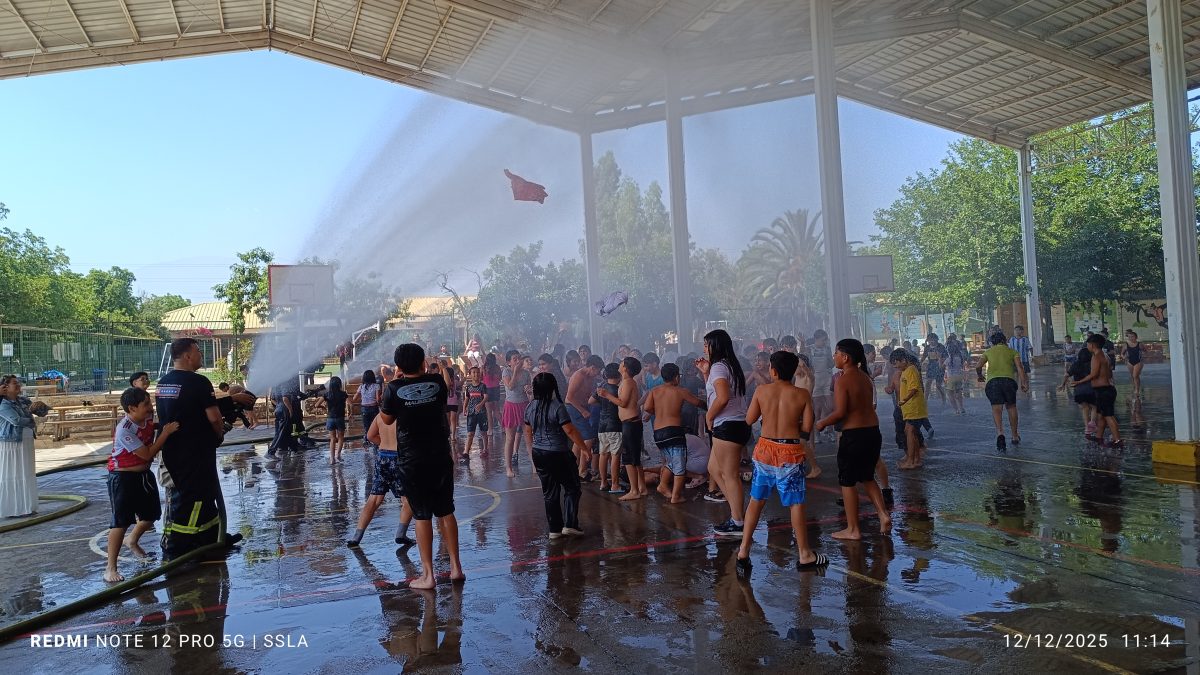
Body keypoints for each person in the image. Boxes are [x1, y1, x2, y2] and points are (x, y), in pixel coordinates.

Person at [377, 344, 464, 589]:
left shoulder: (393, 388)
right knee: (446, 510)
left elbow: (386, 419)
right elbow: (441, 398)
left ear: (399, 366)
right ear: (423, 362)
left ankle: (428, 575)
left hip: (412, 460)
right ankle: (456, 567)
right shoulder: (436, 382)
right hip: (440, 455)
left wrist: (394, 382)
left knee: (422, 515)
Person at [736, 351, 827, 577]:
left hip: (765, 449)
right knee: (795, 503)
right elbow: (807, 427)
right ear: (793, 370)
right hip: (790, 451)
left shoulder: (761, 391)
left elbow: (749, 419)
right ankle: (804, 553)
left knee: (756, 500)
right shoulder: (802, 394)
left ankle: (743, 550)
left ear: (773, 371)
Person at [154, 338, 241, 560]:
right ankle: (176, 546)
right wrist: (219, 434)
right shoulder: (199, 382)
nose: (201, 355)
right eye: (198, 351)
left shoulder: (164, 383)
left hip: (173, 451)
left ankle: (211, 537)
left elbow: (186, 408)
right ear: (187, 356)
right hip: (196, 452)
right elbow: (214, 418)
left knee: (203, 494)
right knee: (192, 499)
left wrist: (230, 401)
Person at [816, 339, 891, 541]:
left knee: (847, 481)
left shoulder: (843, 380)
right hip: (872, 432)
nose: (834, 357)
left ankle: (853, 528)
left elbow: (840, 412)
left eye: (836, 353)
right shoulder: (865, 377)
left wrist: (822, 422)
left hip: (854, 435)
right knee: (867, 477)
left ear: (845, 357)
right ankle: (883, 514)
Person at [105, 387, 180, 582]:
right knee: (121, 522)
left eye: (150, 402)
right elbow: (147, 454)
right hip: (123, 478)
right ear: (132, 408)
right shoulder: (125, 429)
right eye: (145, 404)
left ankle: (132, 540)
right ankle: (110, 568)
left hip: (144, 476)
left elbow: (153, 427)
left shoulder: (147, 418)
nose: (150, 407)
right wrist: (166, 433)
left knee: (151, 515)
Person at [697, 329, 751, 536]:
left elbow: (722, 398)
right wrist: (705, 373)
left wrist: (709, 417)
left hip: (728, 425)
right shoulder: (728, 365)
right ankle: (737, 514)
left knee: (730, 475)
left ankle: (738, 521)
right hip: (734, 424)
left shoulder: (719, 367)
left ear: (716, 346)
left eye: (707, 344)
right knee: (714, 468)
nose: (704, 348)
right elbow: (715, 393)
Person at [524, 373, 589, 539]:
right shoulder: (557, 407)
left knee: (550, 492)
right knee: (572, 487)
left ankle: (554, 529)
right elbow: (570, 430)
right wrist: (584, 448)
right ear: (553, 388)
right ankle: (570, 524)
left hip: (539, 453)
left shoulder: (530, 407)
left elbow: (528, 432)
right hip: (558, 453)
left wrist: (532, 451)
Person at [347, 407, 415, 548]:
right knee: (408, 499)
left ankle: (356, 537)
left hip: (383, 457)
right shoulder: (404, 416)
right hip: (400, 458)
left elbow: (370, 436)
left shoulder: (380, 416)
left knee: (374, 499)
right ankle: (401, 533)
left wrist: (384, 442)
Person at [643, 363, 705, 504]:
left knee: (671, 461)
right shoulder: (680, 391)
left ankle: (663, 486)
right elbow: (698, 403)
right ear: (677, 377)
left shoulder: (654, 391)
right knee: (679, 465)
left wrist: (659, 411)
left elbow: (647, 407)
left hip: (658, 433)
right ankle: (676, 496)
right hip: (674, 432)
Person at [596, 356, 645, 501]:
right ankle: (641, 487)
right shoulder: (626, 382)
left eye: (622, 362)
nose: (620, 363)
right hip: (630, 423)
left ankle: (634, 490)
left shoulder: (628, 382)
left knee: (629, 459)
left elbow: (623, 403)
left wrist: (606, 394)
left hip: (631, 423)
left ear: (625, 368)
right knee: (635, 458)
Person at [976, 332, 1028, 451]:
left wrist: (980, 376)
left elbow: (978, 366)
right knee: (1011, 407)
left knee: (997, 409)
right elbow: (1020, 367)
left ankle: (1000, 433)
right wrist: (1024, 383)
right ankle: (1015, 436)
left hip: (993, 383)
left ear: (992, 342)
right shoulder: (1012, 351)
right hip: (1009, 382)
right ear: (1004, 340)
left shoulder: (988, 352)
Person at [1072, 334, 1123, 448]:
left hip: (1104, 390)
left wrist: (1079, 382)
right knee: (1101, 415)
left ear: (1092, 345)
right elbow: (1109, 373)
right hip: (1106, 389)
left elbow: (1093, 374)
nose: (1087, 346)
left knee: (1109, 416)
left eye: (1088, 344)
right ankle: (1099, 437)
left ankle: (1118, 440)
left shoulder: (1096, 357)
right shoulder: (1105, 355)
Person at [0, 375, 39, 518]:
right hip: (11, 444)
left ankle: (26, 506)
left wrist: (41, 408)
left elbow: (37, 411)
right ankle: (12, 508)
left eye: (18, 383)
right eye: (14, 383)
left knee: (26, 473)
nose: (18, 385)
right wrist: (32, 421)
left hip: (26, 441)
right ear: (5, 387)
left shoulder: (23, 400)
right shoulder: (3, 404)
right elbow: (16, 421)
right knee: (14, 474)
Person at [565, 355, 603, 480]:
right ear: (592, 367)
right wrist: (582, 411)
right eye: (597, 371)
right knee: (588, 438)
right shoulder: (579, 375)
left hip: (583, 407)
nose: (598, 374)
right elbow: (569, 397)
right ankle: (582, 471)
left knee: (578, 439)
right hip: (574, 407)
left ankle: (572, 468)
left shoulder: (590, 377)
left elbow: (587, 394)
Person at [894, 350, 928, 470]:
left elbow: (914, 389)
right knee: (911, 432)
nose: (896, 366)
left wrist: (904, 400)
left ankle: (910, 461)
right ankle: (916, 459)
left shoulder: (911, 370)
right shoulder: (906, 371)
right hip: (910, 409)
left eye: (896, 363)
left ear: (904, 360)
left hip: (914, 408)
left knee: (909, 432)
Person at [501, 350, 532, 477]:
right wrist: (515, 371)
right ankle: (508, 468)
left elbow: (529, 392)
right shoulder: (506, 371)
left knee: (529, 437)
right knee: (510, 438)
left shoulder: (526, 373)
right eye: (515, 359)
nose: (518, 361)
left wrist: (529, 390)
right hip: (511, 406)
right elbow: (510, 386)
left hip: (524, 405)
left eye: (519, 358)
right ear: (509, 362)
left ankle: (534, 465)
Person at [595, 363, 623, 493]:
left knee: (603, 454)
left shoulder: (602, 388)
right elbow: (623, 404)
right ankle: (615, 485)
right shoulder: (618, 390)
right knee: (615, 454)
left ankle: (603, 483)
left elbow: (590, 401)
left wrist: (603, 402)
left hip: (602, 425)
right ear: (619, 375)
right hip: (614, 425)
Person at [1060, 347, 1097, 440]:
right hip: (1091, 389)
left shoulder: (1076, 364)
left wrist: (1063, 384)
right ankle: (1092, 422)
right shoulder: (1093, 364)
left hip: (1079, 390)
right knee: (1095, 406)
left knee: (1085, 408)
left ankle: (1087, 428)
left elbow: (1066, 375)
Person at [317, 376, 348, 464]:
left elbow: (316, 405)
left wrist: (323, 407)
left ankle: (332, 459)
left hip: (330, 418)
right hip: (340, 418)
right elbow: (350, 403)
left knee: (332, 439)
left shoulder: (327, 394)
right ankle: (338, 455)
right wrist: (350, 413)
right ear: (339, 384)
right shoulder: (343, 394)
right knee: (341, 437)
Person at [462, 366, 489, 461]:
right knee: (470, 433)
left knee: (483, 432)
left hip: (481, 413)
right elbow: (466, 399)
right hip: (471, 413)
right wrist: (464, 408)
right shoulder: (468, 387)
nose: (476, 374)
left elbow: (486, 397)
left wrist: (481, 404)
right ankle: (466, 452)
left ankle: (485, 449)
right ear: (470, 374)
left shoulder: (483, 386)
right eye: (473, 372)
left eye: (477, 372)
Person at [351, 369, 381, 451]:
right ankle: (375, 446)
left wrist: (363, 398)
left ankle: (366, 443)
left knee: (366, 427)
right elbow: (378, 399)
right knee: (376, 427)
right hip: (374, 408)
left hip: (364, 409)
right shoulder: (376, 386)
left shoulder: (361, 387)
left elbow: (354, 398)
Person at [944, 335, 969, 415]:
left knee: (950, 394)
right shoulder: (960, 358)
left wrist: (939, 359)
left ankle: (956, 410)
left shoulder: (949, 359)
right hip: (959, 377)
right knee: (959, 393)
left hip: (951, 378)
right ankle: (962, 408)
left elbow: (942, 367)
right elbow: (964, 367)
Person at [920, 333, 948, 404]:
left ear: (936, 339)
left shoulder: (941, 347)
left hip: (939, 367)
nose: (931, 342)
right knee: (928, 383)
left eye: (933, 340)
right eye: (930, 340)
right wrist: (920, 363)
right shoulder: (927, 347)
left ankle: (943, 397)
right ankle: (925, 400)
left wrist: (942, 362)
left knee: (938, 385)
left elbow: (946, 357)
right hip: (931, 367)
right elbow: (924, 356)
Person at [482, 353, 503, 435]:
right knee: (497, 411)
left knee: (489, 412)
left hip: (487, 390)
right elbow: (500, 378)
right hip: (496, 389)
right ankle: (503, 427)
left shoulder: (484, 367)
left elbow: (481, 378)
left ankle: (490, 430)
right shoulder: (497, 367)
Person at [1121, 330, 1144, 399]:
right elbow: (1122, 353)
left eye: (1132, 337)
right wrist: (1124, 357)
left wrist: (1143, 355)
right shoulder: (1126, 345)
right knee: (1133, 376)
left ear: (1136, 337)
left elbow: (1145, 351)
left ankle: (1137, 390)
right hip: (1129, 362)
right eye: (1129, 337)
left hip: (1138, 361)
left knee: (1135, 376)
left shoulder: (1139, 344)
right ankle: (1135, 387)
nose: (1131, 338)